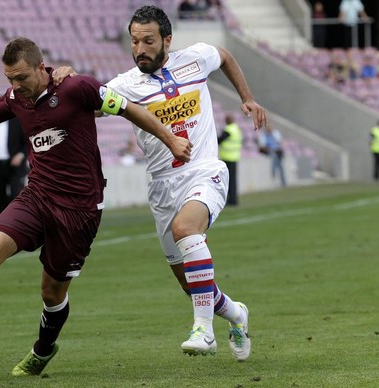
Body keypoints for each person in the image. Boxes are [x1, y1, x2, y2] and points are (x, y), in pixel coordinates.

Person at [0, 36, 191, 376]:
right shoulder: (16, 97)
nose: (14, 85)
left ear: (41, 68)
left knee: (52, 291)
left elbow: (131, 109)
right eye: (9, 78)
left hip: (79, 208)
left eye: (21, 77)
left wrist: (171, 139)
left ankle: (43, 349)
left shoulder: (78, 88)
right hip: (37, 195)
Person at [80, 5, 266, 361]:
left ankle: (203, 331)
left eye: (148, 41)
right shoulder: (124, 86)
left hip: (205, 170)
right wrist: (68, 80)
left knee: (186, 229)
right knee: (190, 282)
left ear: (167, 40)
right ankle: (235, 313)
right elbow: (86, 105)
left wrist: (247, 97)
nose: (140, 49)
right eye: (134, 41)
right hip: (162, 185)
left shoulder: (194, 59)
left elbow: (224, 56)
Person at [218, 114, 242, 206]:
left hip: (227, 157)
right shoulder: (236, 129)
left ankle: (231, 200)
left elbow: (219, 140)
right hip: (235, 156)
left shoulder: (228, 130)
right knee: (233, 180)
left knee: (228, 180)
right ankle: (233, 199)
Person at [258, 122, 286, 187]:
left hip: (277, 151)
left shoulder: (275, 133)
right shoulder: (264, 135)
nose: (269, 129)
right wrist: (270, 149)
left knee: (280, 164)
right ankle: (274, 172)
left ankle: (274, 172)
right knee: (277, 160)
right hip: (269, 151)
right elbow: (262, 146)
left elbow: (280, 143)